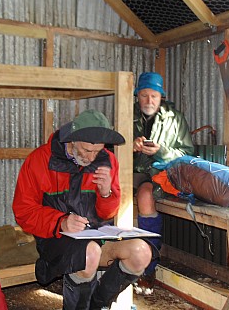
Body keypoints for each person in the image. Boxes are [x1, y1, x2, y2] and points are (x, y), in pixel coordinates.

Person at [12, 109, 157, 310]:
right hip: (55, 238)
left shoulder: (106, 160)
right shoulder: (40, 160)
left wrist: (106, 194)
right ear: (72, 140)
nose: (91, 157)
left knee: (141, 252)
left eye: (97, 151)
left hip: (96, 236)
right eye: (86, 150)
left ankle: (98, 305)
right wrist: (60, 221)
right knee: (89, 254)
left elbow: (107, 214)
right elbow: (23, 211)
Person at [132, 72, 195, 295]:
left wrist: (162, 151)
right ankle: (113, 262)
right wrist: (130, 146)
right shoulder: (125, 114)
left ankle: (147, 269)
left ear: (162, 97)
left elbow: (188, 153)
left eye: (154, 96)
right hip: (131, 173)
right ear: (136, 96)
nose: (149, 101)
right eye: (144, 95)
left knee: (145, 196)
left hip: (163, 176)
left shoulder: (175, 119)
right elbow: (110, 147)